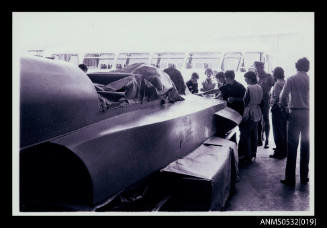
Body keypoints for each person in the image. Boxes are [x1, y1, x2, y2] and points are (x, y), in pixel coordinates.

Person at [280, 57, 310, 187]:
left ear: (297, 66)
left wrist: (285, 110)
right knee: (306, 146)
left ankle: (290, 179)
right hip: (308, 114)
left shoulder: (291, 79)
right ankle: (304, 177)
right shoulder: (310, 79)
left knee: (292, 147)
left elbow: (283, 97)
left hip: (295, 113)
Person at [238, 71, 263, 164]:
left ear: (250, 78)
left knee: (245, 134)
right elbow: (261, 101)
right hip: (257, 111)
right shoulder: (259, 87)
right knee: (254, 134)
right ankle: (253, 153)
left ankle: (246, 156)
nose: (245, 80)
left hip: (249, 112)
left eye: (246, 78)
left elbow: (246, 101)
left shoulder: (249, 88)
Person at [254, 61, 274, 148]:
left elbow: (274, 86)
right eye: (256, 68)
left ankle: (267, 140)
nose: (257, 70)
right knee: (257, 120)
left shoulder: (269, 76)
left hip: (265, 100)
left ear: (262, 67)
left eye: (258, 68)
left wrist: (271, 96)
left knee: (266, 119)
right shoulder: (255, 76)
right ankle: (259, 138)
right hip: (257, 100)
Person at [269, 67, 287, 159]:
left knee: (277, 131)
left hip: (277, 109)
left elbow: (276, 98)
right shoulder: (285, 82)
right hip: (284, 109)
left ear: (275, 74)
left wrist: (271, 104)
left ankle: (279, 152)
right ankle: (284, 150)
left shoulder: (277, 84)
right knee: (283, 130)